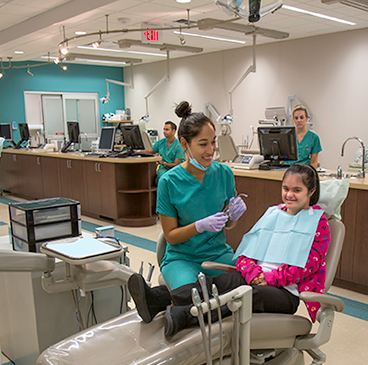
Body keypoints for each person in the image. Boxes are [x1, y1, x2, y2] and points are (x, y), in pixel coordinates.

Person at [128, 163, 331, 338]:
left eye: (297, 190)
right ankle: (157, 299)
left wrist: (268, 279)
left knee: (248, 295)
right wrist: (253, 272)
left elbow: (306, 267)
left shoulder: (317, 223)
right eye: (285, 188)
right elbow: (246, 251)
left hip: (286, 292)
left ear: (311, 192)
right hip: (254, 278)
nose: (289, 195)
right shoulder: (275, 213)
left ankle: (186, 316)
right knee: (217, 283)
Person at [156, 101, 247, 292]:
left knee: (251, 280)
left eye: (213, 142)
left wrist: (233, 217)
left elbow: (227, 224)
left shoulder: (224, 173)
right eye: (203, 144)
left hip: (218, 254)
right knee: (191, 297)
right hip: (182, 258)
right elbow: (171, 237)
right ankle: (159, 300)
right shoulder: (169, 182)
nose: (211, 150)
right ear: (184, 144)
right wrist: (199, 226)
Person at [292, 104, 322, 168]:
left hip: (304, 170)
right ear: (293, 119)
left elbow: (314, 162)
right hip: (287, 169)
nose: (299, 120)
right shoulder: (288, 136)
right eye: (296, 118)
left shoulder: (313, 138)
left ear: (307, 118)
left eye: (302, 117)